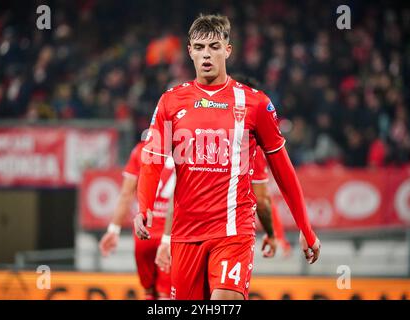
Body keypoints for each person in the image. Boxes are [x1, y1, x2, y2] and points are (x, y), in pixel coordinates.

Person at [135, 14, 320, 300]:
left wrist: (305, 229)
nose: (206, 55)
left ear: (228, 50)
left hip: (233, 232)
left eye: (214, 46)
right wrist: (144, 206)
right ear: (189, 51)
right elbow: (152, 161)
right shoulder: (170, 101)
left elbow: (283, 170)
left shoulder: (256, 103)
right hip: (185, 236)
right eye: (199, 47)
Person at [98, 141, 175, 300]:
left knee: (148, 293)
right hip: (171, 235)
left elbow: (126, 194)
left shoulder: (140, 150)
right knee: (166, 294)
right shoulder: (185, 150)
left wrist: (114, 229)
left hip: (144, 233)